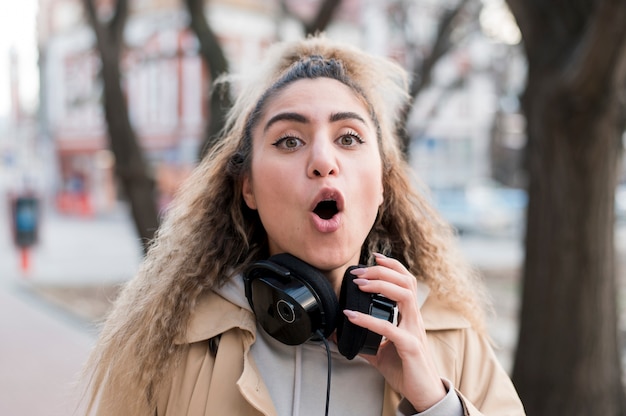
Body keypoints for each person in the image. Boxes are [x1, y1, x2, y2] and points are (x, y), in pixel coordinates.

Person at [82, 35, 525, 415]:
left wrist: (435, 402)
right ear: (247, 187)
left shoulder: (451, 337)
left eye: (349, 138)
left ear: (384, 184)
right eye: (289, 140)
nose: (322, 161)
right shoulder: (174, 343)